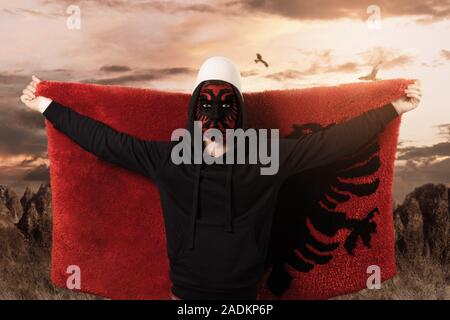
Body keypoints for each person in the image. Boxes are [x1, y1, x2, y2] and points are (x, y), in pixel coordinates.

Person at [20, 56, 422, 300]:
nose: (214, 118)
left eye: (226, 106)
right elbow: (105, 141)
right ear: (193, 112)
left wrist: (394, 107)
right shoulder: (170, 160)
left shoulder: (267, 157)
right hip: (186, 296)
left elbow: (332, 143)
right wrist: (45, 104)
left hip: (247, 297)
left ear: (240, 113)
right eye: (206, 106)